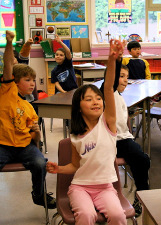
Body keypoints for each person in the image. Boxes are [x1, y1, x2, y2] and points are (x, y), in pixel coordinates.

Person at [46, 39, 127, 225]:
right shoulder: (75, 136)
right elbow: (75, 165)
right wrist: (59, 169)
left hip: (106, 188)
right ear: (79, 107)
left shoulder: (108, 124)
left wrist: (112, 60)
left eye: (98, 99)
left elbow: (108, 87)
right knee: (86, 215)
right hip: (80, 187)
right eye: (89, 99)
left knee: (118, 216)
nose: (96, 102)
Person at [0, 30, 56, 209]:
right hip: (3, 145)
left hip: (24, 146)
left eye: (33, 80)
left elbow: (35, 140)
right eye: (28, 80)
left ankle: (38, 195)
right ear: (14, 82)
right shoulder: (7, 92)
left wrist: (37, 134)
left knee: (40, 163)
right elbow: (8, 64)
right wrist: (9, 43)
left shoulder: (30, 107)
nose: (33, 83)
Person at [114, 64, 150, 217]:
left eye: (126, 77)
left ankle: (140, 195)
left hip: (125, 137)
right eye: (121, 76)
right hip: (115, 141)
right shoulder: (108, 93)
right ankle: (142, 196)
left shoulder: (119, 96)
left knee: (143, 160)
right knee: (142, 160)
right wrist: (115, 58)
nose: (125, 81)